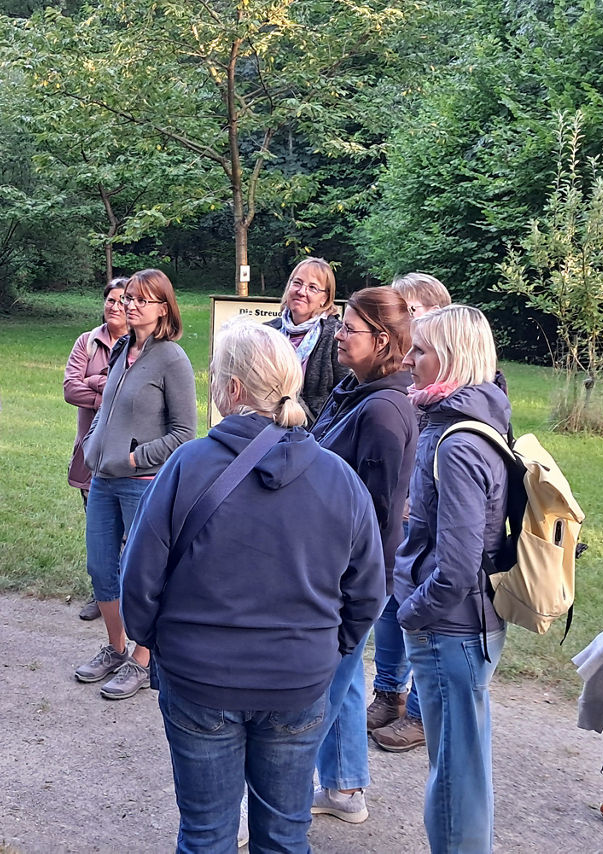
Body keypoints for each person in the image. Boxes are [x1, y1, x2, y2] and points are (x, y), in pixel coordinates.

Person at [120, 319, 384, 851]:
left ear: (232, 390)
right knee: (286, 834)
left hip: (199, 677)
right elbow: (368, 593)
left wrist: (161, 646)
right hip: (298, 680)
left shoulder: (186, 465)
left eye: (215, 375)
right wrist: (327, 649)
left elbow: (138, 580)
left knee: (206, 833)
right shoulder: (339, 479)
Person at [395, 304, 511, 853]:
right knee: (462, 763)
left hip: (451, 628)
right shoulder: (463, 423)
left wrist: (411, 613)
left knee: (455, 777)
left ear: (452, 357)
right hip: (462, 625)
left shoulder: (458, 442)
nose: (409, 359)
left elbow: (458, 565)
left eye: (420, 350)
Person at [307, 287, 418, 824]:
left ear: (383, 340)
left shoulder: (383, 412)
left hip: (346, 575)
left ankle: (275, 794)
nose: (338, 336)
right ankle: (346, 788)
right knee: (347, 680)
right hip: (339, 566)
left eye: (348, 328)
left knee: (320, 687)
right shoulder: (354, 390)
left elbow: (375, 513)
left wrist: (350, 586)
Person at [75, 269, 196, 700]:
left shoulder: (172, 359)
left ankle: (142, 660)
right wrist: (93, 447)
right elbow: (106, 410)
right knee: (101, 567)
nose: (130, 305)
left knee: (141, 574)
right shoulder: (123, 347)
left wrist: (133, 457)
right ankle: (114, 646)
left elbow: (185, 433)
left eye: (142, 300)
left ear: (163, 308)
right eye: (128, 298)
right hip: (103, 479)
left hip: (141, 482)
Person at [368, 271, 453, 750]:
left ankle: (419, 711)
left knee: (425, 608)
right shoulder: (404, 379)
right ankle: (388, 694)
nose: (401, 319)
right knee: (390, 603)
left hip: (431, 522)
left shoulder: (460, 384)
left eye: (410, 310)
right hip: (400, 515)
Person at [64, 278, 130, 621]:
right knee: (100, 531)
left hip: (131, 455)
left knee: (129, 532)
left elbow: (140, 394)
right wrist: (110, 397)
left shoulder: (141, 345)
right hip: (92, 452)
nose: (115, 306)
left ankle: (126, 597)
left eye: (122, 301)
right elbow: (70, 390)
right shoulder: (87, 342)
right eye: (110, 300)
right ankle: (102, 594)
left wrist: (96, 382)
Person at [263, 257, 344, 424]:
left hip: (314, 434)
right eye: (297, 283)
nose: (301, 291)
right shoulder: (267, 332)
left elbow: (344, 394)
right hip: (265, 428)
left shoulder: (336, 335)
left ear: (325, 298)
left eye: (312, 287)